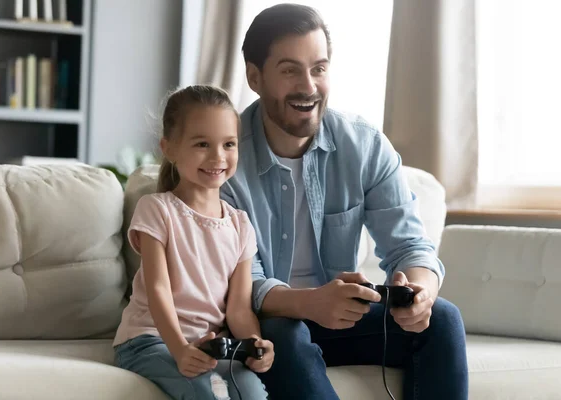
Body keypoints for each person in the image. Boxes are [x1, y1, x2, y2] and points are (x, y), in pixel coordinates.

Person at [220, 4, 469, 400]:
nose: (308, 86)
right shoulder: (222, 157)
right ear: (255, 76)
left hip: (339, 316)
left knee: (442, 318)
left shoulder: (363, 144)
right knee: (285, 331)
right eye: (289, 70)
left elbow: (410, 245)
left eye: (318, 68)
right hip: (263, 323)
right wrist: (310, 302)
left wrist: (419, 291)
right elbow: (238, 284)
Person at [113, 85, 274, 400]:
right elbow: (159, 290)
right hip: (150, 341)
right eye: (202, 144)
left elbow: (239, 310)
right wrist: (180, 349)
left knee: (254, 394)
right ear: (169, 148)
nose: (217, 156)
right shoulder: (156, 210)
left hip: (211, 345)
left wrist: (256, 343)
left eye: (229, 144)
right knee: (210, 393)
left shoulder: (240, 224)